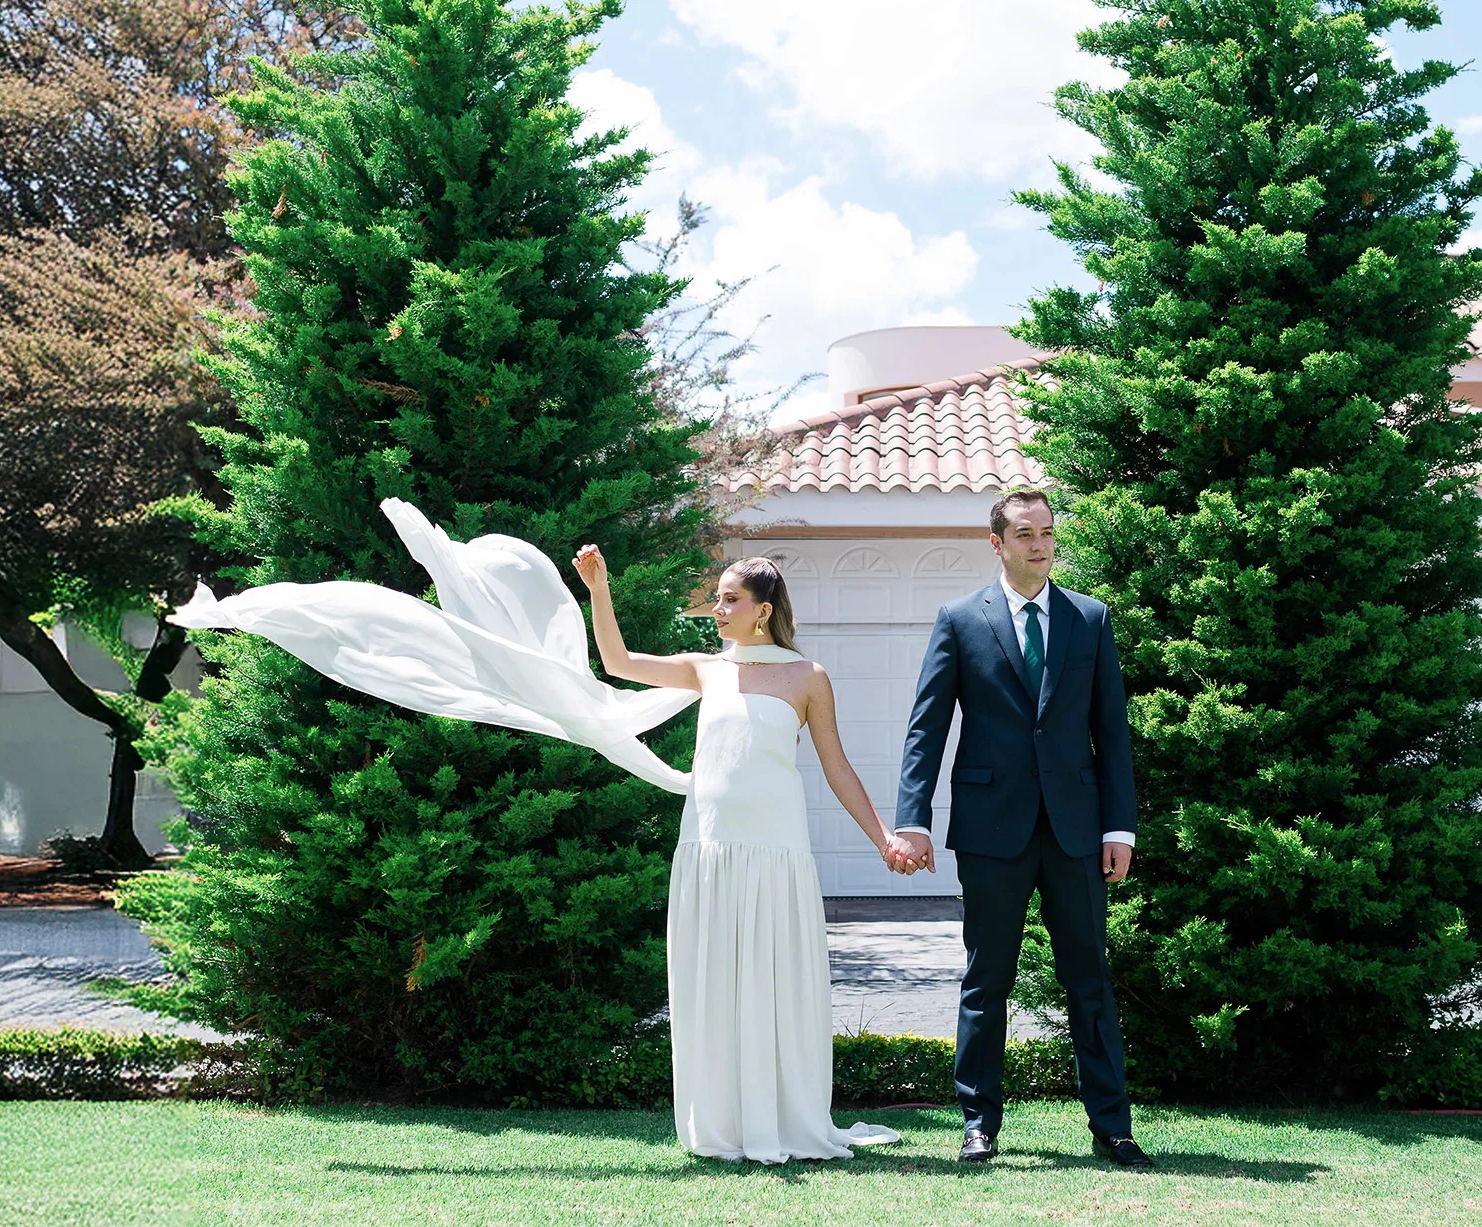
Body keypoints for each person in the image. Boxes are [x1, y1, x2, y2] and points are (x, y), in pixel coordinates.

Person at [173, 498, 921, 1164]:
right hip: (712, 845)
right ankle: (725, 1123)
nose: (716, 610)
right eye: (717, 600)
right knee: (717, 976)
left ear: (761, 608)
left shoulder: (806, 676)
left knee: (772, 976)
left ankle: (787, 1118)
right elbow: (617, 662)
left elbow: (837, 768)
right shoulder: (705, 669)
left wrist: (882, 835)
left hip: (776, 849)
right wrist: (598, 589)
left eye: (728, 600)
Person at [894, 488, 1152, 1167]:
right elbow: (928, 728)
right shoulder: (958, 619)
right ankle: (979, 1123)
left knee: (1089, 980)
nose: (1040, 544)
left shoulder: (1089, 620)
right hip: (990, 829)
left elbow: (1111, 733)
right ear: (997, 543)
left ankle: (1113, 1126)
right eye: (1025, 533)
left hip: (1076, 831)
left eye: (1047, 533)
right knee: (987, 980)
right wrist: (911, 820)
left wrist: (1118, 827)